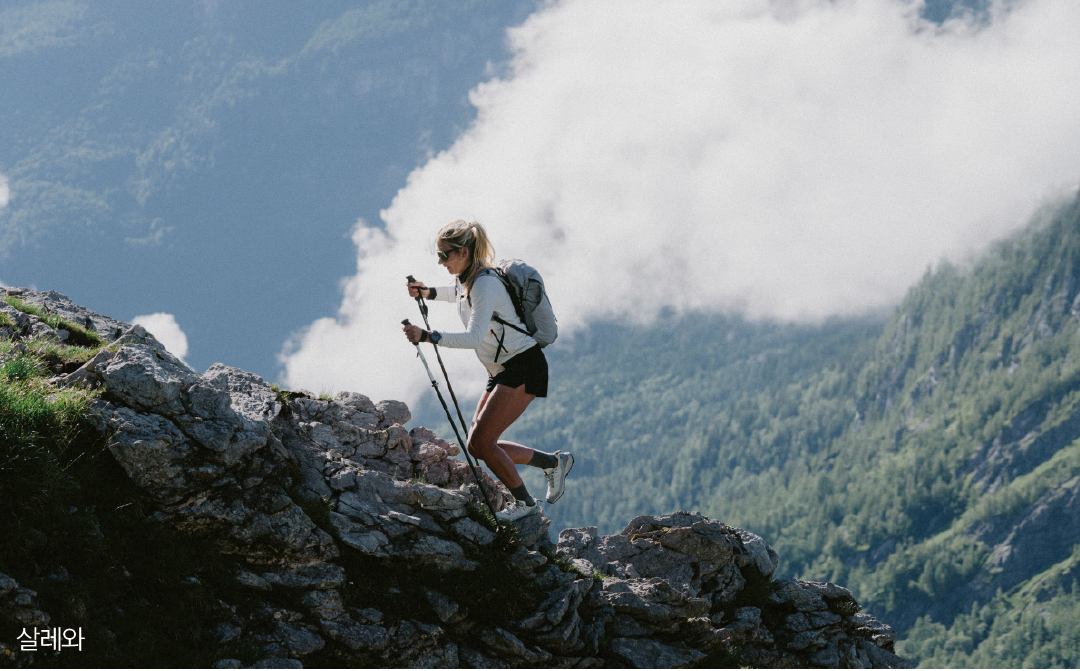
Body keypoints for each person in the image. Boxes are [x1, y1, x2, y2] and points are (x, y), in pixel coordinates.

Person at [402, 219, 573, 522]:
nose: (440, 262)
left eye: (445, 255)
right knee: (477, 445)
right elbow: (456, 294)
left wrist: (427, 336)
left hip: (523, 366)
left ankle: (526, 505)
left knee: (482, 443)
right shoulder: (469, 278)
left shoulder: (485, 283)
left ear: (463, 252)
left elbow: (472, 337)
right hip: (502, 369)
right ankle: (553, 463)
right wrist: (426, 293)